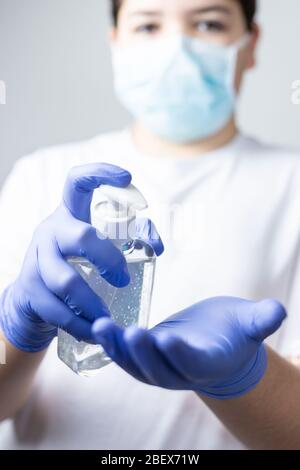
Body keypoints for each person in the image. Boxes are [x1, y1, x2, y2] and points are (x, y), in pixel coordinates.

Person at [1, 0, 300, 451]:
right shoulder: (41, 177)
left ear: (251, 43)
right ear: (115, 41)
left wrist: (246, 379)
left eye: (208, 22)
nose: (176, 47)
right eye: (147, 25)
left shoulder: (292, 185)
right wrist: (16, 332)